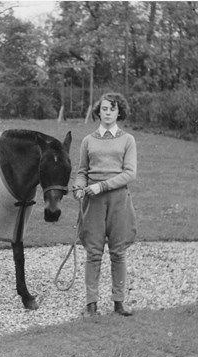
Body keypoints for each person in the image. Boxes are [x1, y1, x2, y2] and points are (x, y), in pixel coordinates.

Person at [73, 92, 137, 317]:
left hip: (119, 201)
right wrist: (79, 187)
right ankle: (92, 303)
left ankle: (119, 301)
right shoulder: (88, 141)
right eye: (105, 109)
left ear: (120, 112)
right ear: (98, 112)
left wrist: (103, 186)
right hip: (93, 202)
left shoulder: (128, 140)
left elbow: (130, 173)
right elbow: (82, 172)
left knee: (118, 252)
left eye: (113, 109)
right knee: (93, 252)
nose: (108, 113)